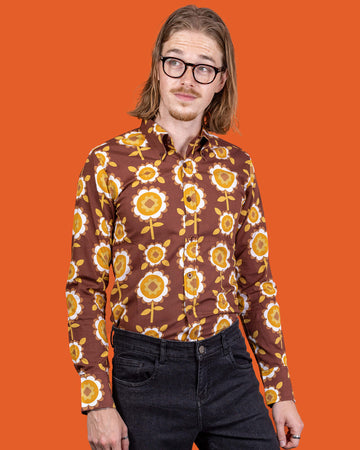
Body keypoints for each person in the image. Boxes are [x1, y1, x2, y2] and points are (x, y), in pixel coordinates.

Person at [66, 5, 304, 449]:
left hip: (228, 364)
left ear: (221, 80)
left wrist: (280, 390)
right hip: (144, 374)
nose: (187, 79)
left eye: (204, 68)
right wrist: (97, 401)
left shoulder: (239, 167)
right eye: (175, 62)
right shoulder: (107, 163)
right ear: (158, 67)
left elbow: (256, 284)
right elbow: (84, 286)